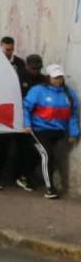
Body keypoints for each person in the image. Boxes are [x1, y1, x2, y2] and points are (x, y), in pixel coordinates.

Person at [16, 64, 79, 199]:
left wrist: (74, 133)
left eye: (60, 77)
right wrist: (27, 125)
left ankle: (23, 177)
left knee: (38, 156)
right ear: (48, 77)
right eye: (55, 78)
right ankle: (50, 189)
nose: (58, 80)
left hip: (58, 132)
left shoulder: (69, 93)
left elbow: (73, 114)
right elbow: (25, 107)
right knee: (47, 155)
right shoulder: (37, 90)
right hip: (39, 130)